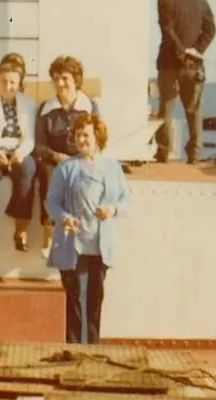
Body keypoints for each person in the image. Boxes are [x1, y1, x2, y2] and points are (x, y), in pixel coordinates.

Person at [46, 113, 130, 345]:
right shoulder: (66, 168)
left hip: (100, 247)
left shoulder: (113, 168)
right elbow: (51, 202)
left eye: (86, 135)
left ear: (98, 137)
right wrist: (64, 218)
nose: (81, 140)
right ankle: (73, 350)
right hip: (72, 246)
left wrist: (112, 209)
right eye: (78, 135)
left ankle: (92, 350)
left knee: (94, 301)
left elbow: (126, 202)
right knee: (74, 302)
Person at [32, 55, 98, 256]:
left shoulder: (90, 107)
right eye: (56, 78)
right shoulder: (46, 109)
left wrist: (80, 156)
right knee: (49, 176)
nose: (60, 83)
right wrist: (56, 156)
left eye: (65, 78)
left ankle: (84, 235)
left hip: (82, 158)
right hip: (54, 160)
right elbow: (39, 145)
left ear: (75, 80)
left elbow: (97, 140)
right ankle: (50, 233)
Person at [0, 56, 39, 250]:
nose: (7, 86)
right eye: (4, 81)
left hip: (17, 150)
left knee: (27, 169)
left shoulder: (28, 104)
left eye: (12, 82)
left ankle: (21, 229)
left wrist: (20, 153)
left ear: (19, 84)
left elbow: (30, 137)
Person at [153, 0, 216, 164]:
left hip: (170, 65)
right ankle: (195, 154)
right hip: (194, 66)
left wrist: (180, 50)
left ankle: (163, 152)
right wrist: (195, 49)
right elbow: (211, 29)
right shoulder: (202, 2)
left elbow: (167, 29)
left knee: (165, 111)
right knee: (194, 110)